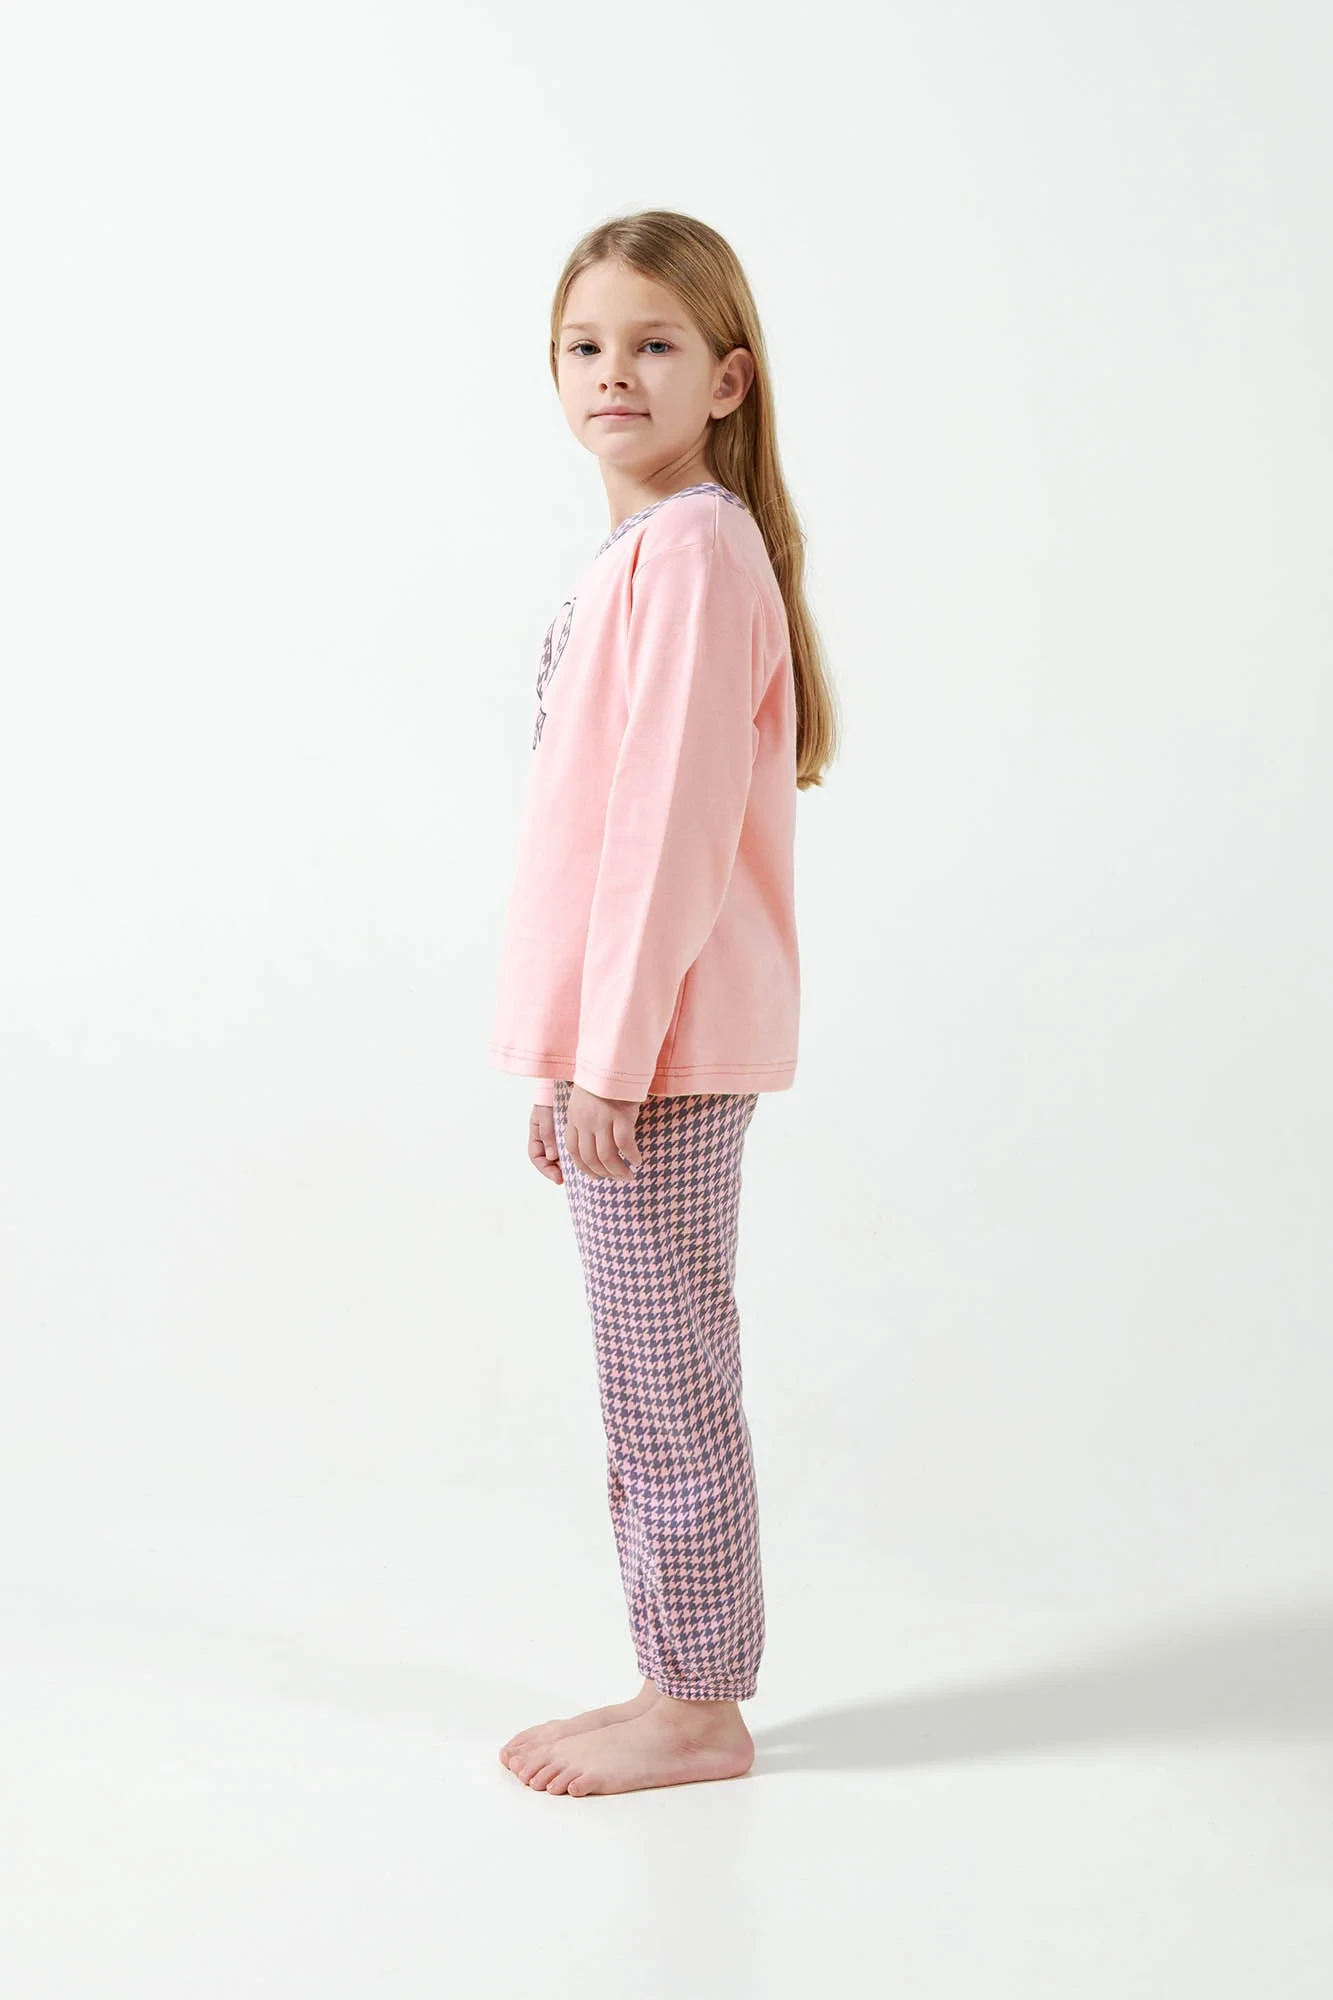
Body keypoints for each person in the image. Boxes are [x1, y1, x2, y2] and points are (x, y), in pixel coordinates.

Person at [488, 209, 839, 1796]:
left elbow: (669, 838)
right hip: (632, 1047)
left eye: (654, 344)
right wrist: (570, 1057)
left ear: (727, 380)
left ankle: (699, 1705)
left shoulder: (695, 551)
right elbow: (596, 834)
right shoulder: (650, 554)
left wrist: (613, 1062)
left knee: (668, 1377)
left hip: (667, 1051)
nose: (613, 372)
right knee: (647, 1371)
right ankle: (672, 1678)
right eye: (585, 345)